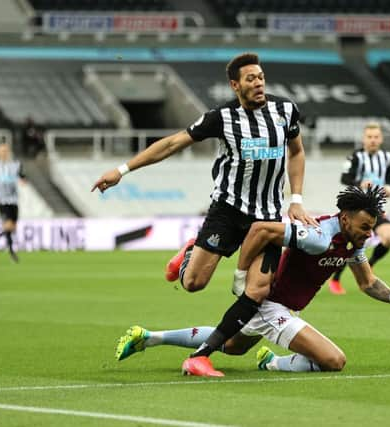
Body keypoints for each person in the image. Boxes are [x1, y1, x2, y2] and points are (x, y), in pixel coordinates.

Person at [92, 52, 315, 371]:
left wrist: (296, 199)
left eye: (261, 77)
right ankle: (187, 257)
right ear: (235, 85)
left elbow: (297, 152)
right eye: (250, 79)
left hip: (266, 218)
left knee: (258, 291)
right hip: (228, 211)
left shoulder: (285, 110)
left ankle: (201, 356)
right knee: (194, 283)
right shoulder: (220, 117)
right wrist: (122, 169)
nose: (258, 83)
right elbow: (172, 144)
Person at [115, 186, 390, 376]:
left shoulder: (352, 243)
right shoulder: (319, 236)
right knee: (334, 361)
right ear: (346, 219)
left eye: (372, 227)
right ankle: (273, 364)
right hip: (270, 303)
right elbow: (261, 230)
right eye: (365, 226)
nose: (369, 234)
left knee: (231, 345)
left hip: (277, 306)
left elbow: (366, 282)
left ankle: (149, 337)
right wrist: (242, 276)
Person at [329, 122, 390, 295]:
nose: (373, 140)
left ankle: (370, 264)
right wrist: (359, 183)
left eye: (376, 137)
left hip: (375, 207)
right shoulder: (355, 157)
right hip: (356, 209)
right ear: (363, 139)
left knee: (388, 237)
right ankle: (335, 279)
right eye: (369, 137)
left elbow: (388, 177)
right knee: (349, 245)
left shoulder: (387, 157)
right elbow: (344, 178)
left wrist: (388, 187)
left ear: (381, 139)